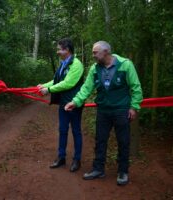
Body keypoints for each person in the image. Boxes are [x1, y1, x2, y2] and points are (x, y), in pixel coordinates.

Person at [65, 41, 143, 185]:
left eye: (95, 52)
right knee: (100, 140)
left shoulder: (125, 65)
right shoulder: (95, 69)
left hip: (121, 110)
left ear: (106, 51)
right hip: (103, 110)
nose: (93, 55)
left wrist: (134, 107)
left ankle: (123, 172)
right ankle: (98, 169)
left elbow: (136, 87)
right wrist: (75, 102)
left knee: (123, 141)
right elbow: (86, 88)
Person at [38, 38, 84, 172]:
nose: (57, 52)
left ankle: (77, 160)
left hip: (74, 103)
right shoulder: (64, 63)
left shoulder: (76, 64)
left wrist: (49, 90)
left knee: (76, 131)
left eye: (59, 49)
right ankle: (61, 157)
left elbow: (68, 83)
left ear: (67, 50)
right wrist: (44, 85)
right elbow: (57, 80)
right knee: (63, 130)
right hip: (63, 103)